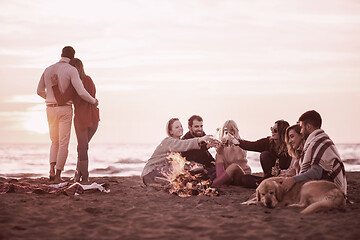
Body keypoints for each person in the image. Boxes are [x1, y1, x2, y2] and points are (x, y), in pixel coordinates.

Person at [37, 46, 98, 183]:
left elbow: (39, 91)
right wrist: (94, 101)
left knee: (54, 141)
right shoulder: (71, 70)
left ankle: (51, 170)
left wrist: (51, 98)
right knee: (63, 143)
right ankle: (58, 175)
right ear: (72, 56)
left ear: (61, 54)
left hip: (49, 107)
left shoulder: (48, 69)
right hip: (64, 108)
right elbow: (81, 92)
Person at [51, 58, 100, 183]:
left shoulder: (73, 84)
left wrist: (55, 85)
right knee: (82, 147)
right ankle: (78, 174)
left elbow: (61, 100)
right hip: (94, 118)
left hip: (82, 119)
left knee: (82, 148)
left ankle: (85, 176)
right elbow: (92, 95)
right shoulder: (89, 79)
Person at [282, 110, 347, 195]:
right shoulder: (318, 141)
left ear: (308, 126)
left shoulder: (319, 143)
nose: (301, 131)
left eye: (301, 127)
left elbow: (316, 173)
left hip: (330, 191)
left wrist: (294, 179)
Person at [141, 118, 215, 186]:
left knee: (190, 168)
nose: (180, 128)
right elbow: (184, 144)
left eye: (181, 126)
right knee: (181, 169)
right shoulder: (168, 141)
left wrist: (208, 146)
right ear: (171, 131)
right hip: (150, 173)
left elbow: (191, 153)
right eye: (177, 127)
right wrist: (200, 139)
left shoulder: (179, 144)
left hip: (161, 173)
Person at [213, 120, 260, 187]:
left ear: (236, 130)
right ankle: (220, 181)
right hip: (229, 176)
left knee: (234, 166)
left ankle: (214, 183)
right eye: (226, 130)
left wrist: (234, 143)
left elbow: (240, 156)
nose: (229, 132)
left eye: (232, 130)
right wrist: (221, 146)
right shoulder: (222, 147)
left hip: (241, 175)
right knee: (218, 155)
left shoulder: (241, 144)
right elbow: (219, 154)